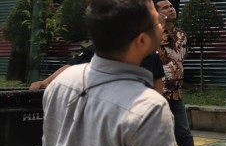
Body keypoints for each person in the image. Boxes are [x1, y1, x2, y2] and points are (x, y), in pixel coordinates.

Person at [35, 0, 180, 146]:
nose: (162, 25)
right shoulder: (147, 108)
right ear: (141, 41)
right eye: (157, 21)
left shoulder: (62, 83)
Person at [156, 0, 207, 146]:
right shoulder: (151, 34)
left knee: (184, 133)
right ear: (156, 12)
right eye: (165, 7)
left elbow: (180, 59)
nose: (171, 9)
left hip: (175, 94)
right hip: (155, 93)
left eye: (171, 6)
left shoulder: (181, 35)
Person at [30, 40, 165, 94]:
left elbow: (157, 83)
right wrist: (46, 82)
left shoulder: (151, 53)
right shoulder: (98, 49)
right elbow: (71, 66)